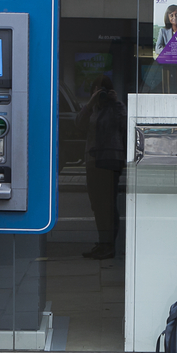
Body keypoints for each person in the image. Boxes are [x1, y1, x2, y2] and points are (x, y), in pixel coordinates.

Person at [75, 75, 127, 260]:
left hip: (110, 159)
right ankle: (103, 241)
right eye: (98, 91)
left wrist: (115, 102)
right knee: (97, 205)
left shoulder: (117, 108)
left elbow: (124, 126)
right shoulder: (91, 109)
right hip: (93, 160)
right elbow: (77, 125)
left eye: (103, 91)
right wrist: (90, 103)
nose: (101, 95)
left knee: (108, 205)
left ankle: (110, 245)